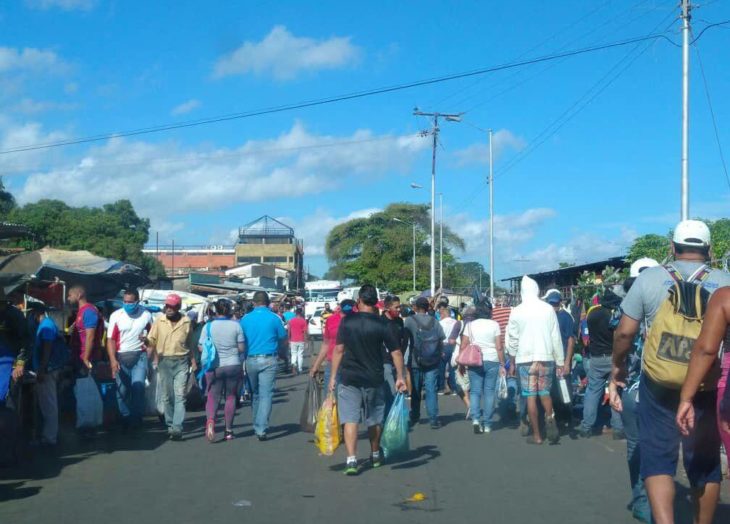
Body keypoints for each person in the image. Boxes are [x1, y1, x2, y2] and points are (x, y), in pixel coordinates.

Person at [613, 220, 730, 524]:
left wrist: (618, 368)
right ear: (710, 249)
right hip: (704, 385)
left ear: (672, 247)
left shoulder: (649, 279)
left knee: (657, 460)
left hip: (658, 383)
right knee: (704, 463)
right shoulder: (724, 280)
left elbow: (625, 333)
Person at [329, 284, 406, 475]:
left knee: (350, 419)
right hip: (374, 378)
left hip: (349, 378)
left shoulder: (347, 322)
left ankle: (351, 460)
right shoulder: (382, 325)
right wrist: (400, 377)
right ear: (376, 302)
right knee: (374, 419)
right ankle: (375, 454)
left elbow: (338, 350)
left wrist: (332, 376)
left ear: (359, 301)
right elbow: (396, 353)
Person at [608, 258, 658, 524]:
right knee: (662, 446)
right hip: (667, 387)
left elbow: (620, 338)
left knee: (637, 445)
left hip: (636, 386)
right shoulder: (671, 304)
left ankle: (643, 501)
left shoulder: (625, 311)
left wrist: (614, 376)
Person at [506, 276, 564, 445]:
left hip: (525, 360)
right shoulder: (548, 309)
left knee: (530, 396)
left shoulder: (516, 311)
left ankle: (537, 435)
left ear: (523, 292)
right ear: (537, 291)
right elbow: (556, 337)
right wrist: (560, 361)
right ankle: (550, 419)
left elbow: (512, 339)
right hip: (546, 358)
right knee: (545, 393)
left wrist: (512, 361)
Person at [147, 294, 196, 441]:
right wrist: (146, 342)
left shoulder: (186, 322)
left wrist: (193, 361)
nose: (169, 309)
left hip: (181, 361)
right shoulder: (159, 321)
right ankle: (170, 424)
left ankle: (177, 427)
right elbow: (151, 340)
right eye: (167, 306)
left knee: (180, 395)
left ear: (178, 307)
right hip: (164, 362)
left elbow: (190, 343)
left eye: (172, 307)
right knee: (168, 396)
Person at [241, 291, 287, 441]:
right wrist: (282, 353)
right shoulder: (275, 318)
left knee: (255, 393)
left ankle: (257, 424)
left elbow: (240, 340)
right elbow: (282, 338)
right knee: (266, 394)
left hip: (251, 359)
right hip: (269, 359)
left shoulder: (245, 319)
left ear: (254, 303)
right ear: (267, 303)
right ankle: (261, 427)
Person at [580, 289, 625, 439]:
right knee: (615, 391)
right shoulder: (612, 316)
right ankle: (618, 428)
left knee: (593, 392)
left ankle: (586, 427)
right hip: (612, 356)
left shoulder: (592, 314)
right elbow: (618, 337)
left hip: (596, 357)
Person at [107, 289, 153, 431]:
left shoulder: (146, 315)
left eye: (130, 302)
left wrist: (148, 344)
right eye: (125, 302)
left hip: (140, 356)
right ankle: (125, 417)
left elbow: (153, 339)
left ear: (137, 301)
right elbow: (110, 340)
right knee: (122, 390)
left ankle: (136, 420)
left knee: (138, 387)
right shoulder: (116, 316)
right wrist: (113, 360)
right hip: (121, 357)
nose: (127, 304)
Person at [201, 299, 244, 442]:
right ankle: (228, 431)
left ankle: (211, 421)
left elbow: (201, 347)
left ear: (216, 310)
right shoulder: (236, 326)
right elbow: (241, 348)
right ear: (229, 310)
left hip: (214, 366)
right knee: (230, 397)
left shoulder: (208, 327)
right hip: (233, 365)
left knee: (213, 396)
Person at [462, 301, 505, 434]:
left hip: (474, 360)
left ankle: (475, 419)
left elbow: (463, 345)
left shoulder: (469, 325)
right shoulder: (494, 325)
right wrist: (503, 364)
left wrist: (461, 364)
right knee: (489, 392)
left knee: (475, 391)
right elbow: (499, 346)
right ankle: (487, 424)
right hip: (492, 360)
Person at [66, 285, 103, 436]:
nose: (68, 298)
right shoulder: (80, 312)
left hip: (85, 358)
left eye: (70, 295)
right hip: (79, 357)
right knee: (82, 391)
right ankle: (86, 423)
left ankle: (89, 426)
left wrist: (86, 358)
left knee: (86, 393)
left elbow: (90, 336)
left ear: (79, 294)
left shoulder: (88, 311)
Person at [29, 305, 68, 446]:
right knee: (47, 403)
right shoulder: (48, 324)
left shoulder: (46, 325)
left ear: (36, 313)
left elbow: (47, 348)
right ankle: (48, 435)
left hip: (48, 370)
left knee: (48, 404)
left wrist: (42, 369)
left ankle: (49, 437)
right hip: (49, 368)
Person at [405, 297, 445, 429]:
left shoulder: (410, 321)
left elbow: (405, 338)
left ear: (416, 307)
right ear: (428, 307)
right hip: (432, 360)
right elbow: (441, 338)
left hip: (416, 360)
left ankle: (415, 416)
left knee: (416, 390)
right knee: (431, 389)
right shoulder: (434, 321)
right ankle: (433, 418)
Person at [544, 290, 576, 435]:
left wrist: (567, 362)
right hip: (548, 361)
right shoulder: (545, 318)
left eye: (556, 303)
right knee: (551, 392)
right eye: (552, 304)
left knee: (565, 392)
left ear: (560, 303)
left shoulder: (566, 318)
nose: (554, 306)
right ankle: (556, 419)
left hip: (562, 361)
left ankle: (568, 419)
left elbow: (570, 340)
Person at [382, 295, 407, 420]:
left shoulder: (399, 321)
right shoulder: (380, 322)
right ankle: (390, 419)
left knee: (399, 389)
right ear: (387, 307)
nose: (399, 309)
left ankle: (395, 418)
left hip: (398, 359)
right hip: (385, 360)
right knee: (391, 391)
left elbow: (403, 339)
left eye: (399, 306)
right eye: (396, 307)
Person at [438, 303, 458, 395]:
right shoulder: (456, 322)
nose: (440, 315)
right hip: (454, 346)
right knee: (453, 368)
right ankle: (454, 388)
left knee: (441, 368)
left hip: (444, 345)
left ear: (444, 314)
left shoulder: (440, 323)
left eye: (441, 314)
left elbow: (438, 337)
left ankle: (441, 388)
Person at [287, 307, 308, 375]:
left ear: (295, 313)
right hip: (301, 340)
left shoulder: (291, 321)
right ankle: (300, 368)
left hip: (293, 340)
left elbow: (289, 331)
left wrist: (288, 340)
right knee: (300, 355)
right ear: (301, 313)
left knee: (293, 354)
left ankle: (294, 364)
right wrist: (306, 341)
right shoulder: (303, 321)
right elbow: (305, 332)